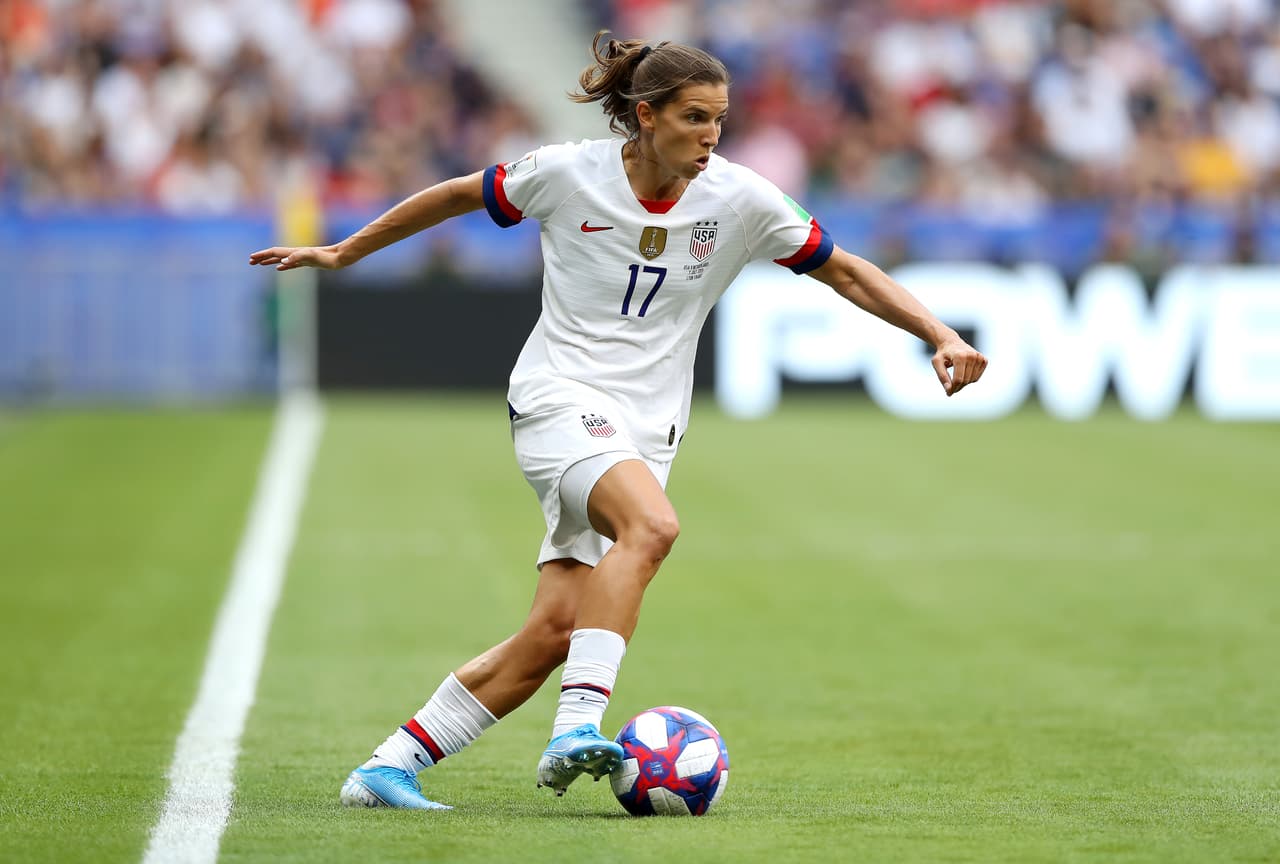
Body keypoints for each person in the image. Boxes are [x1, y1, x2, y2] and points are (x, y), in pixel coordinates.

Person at [249, 32, 987, 811]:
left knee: (556, 633)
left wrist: (939, 333)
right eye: (695, 117)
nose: (710, 135)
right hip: (558, 397)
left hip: (647, 431)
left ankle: (385, 769)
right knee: (655, 528)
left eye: (720, 120)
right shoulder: (567, 173)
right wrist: (344, 252)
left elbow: (844, 270)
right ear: (644, 116)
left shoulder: (741, 199)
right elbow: (460, 193)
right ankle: (577, 727)